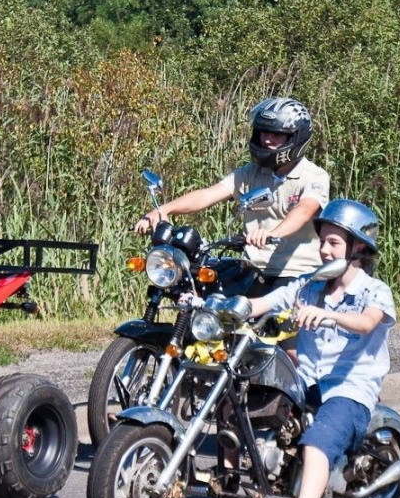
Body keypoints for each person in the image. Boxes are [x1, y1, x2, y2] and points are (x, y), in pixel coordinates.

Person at [246, 199, 395, 498]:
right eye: (322, 241)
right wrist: (217, 305)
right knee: (247, 392)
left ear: (359, 249)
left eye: (334, 243)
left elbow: (367, 322)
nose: (324, 250)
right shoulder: (308, 285)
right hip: (308, 382)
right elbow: (264, 303)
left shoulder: (374, 291)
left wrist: (330, 317)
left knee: (319, 440)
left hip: (349, 389)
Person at [136, 97, 330, 362]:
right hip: (253, 269)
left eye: (277, 135)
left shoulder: (314, 176)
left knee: (290, 350)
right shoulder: (250, 173)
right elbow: (207, 195)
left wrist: (274, 233)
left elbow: (305, 211)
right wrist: (164, 210)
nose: (267, 140)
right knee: (207, 306)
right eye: (263, 133)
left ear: (296, 138)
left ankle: (308, 397)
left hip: (296, 273)